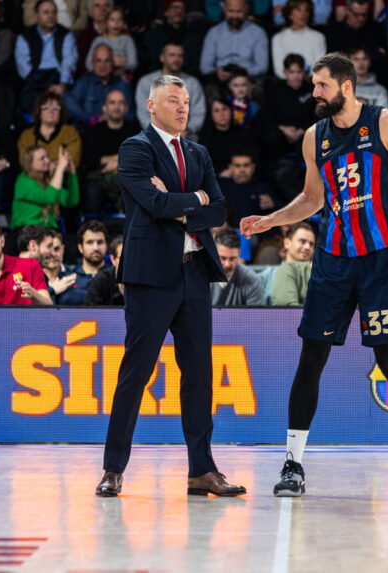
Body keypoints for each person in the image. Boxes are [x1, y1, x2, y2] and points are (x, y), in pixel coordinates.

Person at [240, 53, 388, 497]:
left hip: (381, 259)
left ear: (346, 86)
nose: (314, 93)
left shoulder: (387, 124)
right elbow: (311, 199)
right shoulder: (314, 137)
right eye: (314, 86)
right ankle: (293, 465)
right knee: (311, 359)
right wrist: (270, 220)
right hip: (334, 260)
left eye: (321, 86)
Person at [97, 75, 245, 499]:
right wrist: (194, 200)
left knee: (198, 374)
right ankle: (113, 469)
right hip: (150, 277)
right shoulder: (135, 149)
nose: (183, 108)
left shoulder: (198, 151)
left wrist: (190, 204)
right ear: (151, 105)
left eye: (185, 101)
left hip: (194, 273)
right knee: (136, 373)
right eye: (173, 101)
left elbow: (219, 210)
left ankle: (203, 470)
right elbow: (155, 203)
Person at [81, 89, 140, 214]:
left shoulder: (135, 130)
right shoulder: (93, 132)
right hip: (100, 179)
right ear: (105, 108)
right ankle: (93, 229)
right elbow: (91, 159)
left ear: (126, 108)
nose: (116, 107)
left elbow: (140, 156)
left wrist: (115, 162)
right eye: (112, 103)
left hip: (128, 180)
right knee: (92, 190)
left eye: (121, 103)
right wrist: (121, 158)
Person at [15, 0, 79, 112]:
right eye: (46, 12)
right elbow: (23, 66)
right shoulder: (25, 36)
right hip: (35, 82)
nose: (51, 16)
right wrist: (45, 86)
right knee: (29, 104)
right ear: (36, 16)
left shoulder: (65, 34)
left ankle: (89, 120)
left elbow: (69, 61)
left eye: (54, 12)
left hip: (58, 80)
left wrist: (62, 85)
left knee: (68, 104)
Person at [135, 43, 205, 139]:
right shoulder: (146, 82)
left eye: (180, 56)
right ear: (162, 58)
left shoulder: (192, 83)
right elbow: (143, 114)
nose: (176, 59)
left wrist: (187, 129)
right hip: (155, 138)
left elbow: (199, 113)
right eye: (172, 55)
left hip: (186, 138)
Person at [199, 0, 269, 83]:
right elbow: (204, 67)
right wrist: (217, 72)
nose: (234, 16)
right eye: (231, 11)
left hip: (249, 80)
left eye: (239, 12)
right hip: (220, 81)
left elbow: (262, 67)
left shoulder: (258, 33)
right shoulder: (214, 33)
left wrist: (243, 72)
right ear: (224, 8)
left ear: (246, 9)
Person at [11, 144, 79, 230]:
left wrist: (72, 173)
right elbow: (48, 197)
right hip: (26, 230)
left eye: (47, 157)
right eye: (42, 159)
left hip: (47, 230)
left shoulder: (48, 182)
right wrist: (60, 168)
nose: (47, 160)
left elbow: (71, 201)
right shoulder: (23, 180)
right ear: (30, 163)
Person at [262, 54, 315, 161]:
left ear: (304, 72)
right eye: (292, 72)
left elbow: (317, 116)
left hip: (304, 133)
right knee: (271, 136)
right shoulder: (275, 91)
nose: (296, 76)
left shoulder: (313, 90)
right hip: (281, 134)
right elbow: (267, 116)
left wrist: (302, 131)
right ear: (285, 72)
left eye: (299, 72)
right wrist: (283, 129)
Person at [65, 43, 133, 125]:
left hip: (115, 131)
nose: (102, 65)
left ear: (112, 63)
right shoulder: (83, 82)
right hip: (87, 131)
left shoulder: (123, 86)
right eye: (98, 60)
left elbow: (130, 115)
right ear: (92, 63)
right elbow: (71, 110)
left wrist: (113, 118)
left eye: (107, 61)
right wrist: (94, 120)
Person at [18, 92, 81, 167]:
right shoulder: (27, 135)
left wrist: (43, 165)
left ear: (61, 112)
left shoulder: (70, 132)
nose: (51, 111)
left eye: (56, 108)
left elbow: (73, 160)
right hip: (32, 178)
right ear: (39, 111)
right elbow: (24, 161)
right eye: (46, 107)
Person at [271, 0, 326, 80]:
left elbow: (319, 68)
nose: (303, 14)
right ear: (290, 14)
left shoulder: (318, 37)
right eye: (298, 9)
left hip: (310, 84)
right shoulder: (278, 39)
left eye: (306, 10)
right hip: (285, 84)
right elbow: (279, 70)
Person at [199, 97, 255, 175]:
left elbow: (251, 159)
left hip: (242, 175)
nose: (221, 114)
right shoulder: (205, 138)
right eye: (216, 110)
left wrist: (233, 171)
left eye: (224, 109)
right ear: (211, 115)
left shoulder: (244, 134)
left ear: (231, 111)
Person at [211, 227, 264, 306]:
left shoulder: (251, 280)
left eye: (232, 259)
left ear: (239, 254)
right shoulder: (201, 278)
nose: (227, 264)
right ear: (214, 253)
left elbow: (255, 317)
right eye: (223, 258)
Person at [219, 152, 276, 223]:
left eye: (246, 165)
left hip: (256, 231)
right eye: (237, 166)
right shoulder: (221, 187)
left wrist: (273, 204)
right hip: (227, 232)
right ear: (230, 168)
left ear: (253, 167)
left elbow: (283, 207)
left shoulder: (262, 188)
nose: (242, 169)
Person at [85, 7, 137, 74]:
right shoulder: (98, 40)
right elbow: (88, 64)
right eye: (112, 19)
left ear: (123, 23)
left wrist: (122, 66)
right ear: (106, 23)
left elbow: (133, 63)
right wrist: (113, 61)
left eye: (119, 20)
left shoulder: (127, 39)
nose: (116, 23)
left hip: (120, 75)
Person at [67, 219, 108, 303]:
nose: (96, 248)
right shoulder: (68, 277)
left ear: (106, 246)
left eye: (100, 242)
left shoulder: (115, 277)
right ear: (80, 248)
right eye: (90, 242)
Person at [75, 0, 112, 76]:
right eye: (97, 5)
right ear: (90, 12)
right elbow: (80, 66)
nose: (102, 9)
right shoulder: (83, 37)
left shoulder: (122, 34)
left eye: (106, 5)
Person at [84, 234, 123, 305]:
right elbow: (90, 314)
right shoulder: (100, 281)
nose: (129, 263)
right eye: (123, 258)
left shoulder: (142, 280)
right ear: (113, 259)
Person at [22, 0, 87, 31]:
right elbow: (28, 19)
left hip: (72, 31)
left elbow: (84, 14)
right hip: (42, 33)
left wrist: (72, 30)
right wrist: (45, 30)